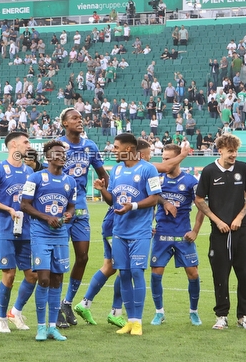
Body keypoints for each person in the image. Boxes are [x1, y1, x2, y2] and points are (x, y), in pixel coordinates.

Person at [73, 140, 187, 326]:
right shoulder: (126, 168)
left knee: (122, 269)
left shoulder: (142, 168)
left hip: (130, 223)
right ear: (139, 153)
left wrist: (162, 203)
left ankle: (116, 311)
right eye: (148, 154)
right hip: (115, 223)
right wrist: (183, 154)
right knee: (114, 267)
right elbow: (166, 168)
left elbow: (151, 194)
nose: (150, 157)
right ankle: (88, 303)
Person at [93, 132, 162, 336]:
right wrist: (101, 190)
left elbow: (155, 198)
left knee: (136, 272)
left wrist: (132, 205)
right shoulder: (115, 170)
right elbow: (112, 201)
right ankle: (130, 321)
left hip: (140, 231)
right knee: (123, 273)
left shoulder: (148, 169)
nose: (113, 150)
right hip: (119, 231)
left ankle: (138, 321)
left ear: (129, 149)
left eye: (116, 147)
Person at [194, 134, 246, 330]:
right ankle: (221, 316)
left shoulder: (243, 168)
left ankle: (244, 316)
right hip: (219, 233)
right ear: (220, 150)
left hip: (242, 231)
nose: (234, 155)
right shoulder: (209, 171)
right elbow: (199, 199)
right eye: (230, 151)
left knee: (245, 274)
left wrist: (240, 217)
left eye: (235, 151)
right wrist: (217, 221)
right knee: (220, 275)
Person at [56, 108, 109, 328]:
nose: (80, 121)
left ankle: (67, 303)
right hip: (60, 210)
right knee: (59, 261)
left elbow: (102, 173)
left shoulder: (90, 146)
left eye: (80, 118)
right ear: (65, 123)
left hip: (81, 209)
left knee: (83, 257)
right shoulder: (57, 146)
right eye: (75, 118)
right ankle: (55, 307)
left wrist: (105, 185)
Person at [20, 140, 76, 341]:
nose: (61, 156)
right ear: (48, 156)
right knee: (43, 278)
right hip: (40, 235)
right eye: (57, 153)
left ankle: (53, 326)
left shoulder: (70, 181)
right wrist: (46, 218)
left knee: (58, 278)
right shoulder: (35, 178)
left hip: (60, 235)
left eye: (63, 153)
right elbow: (24, 205)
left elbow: (71, 206)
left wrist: (68, 214)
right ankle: (41, 327)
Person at [0, 132, 37, 333]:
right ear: (13, 145)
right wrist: (8, 209)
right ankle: (1, 317)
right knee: (9, 274)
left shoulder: (30, 172)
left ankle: (16, 311)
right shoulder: (0, 169)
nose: (28, 145)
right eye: (25, 142)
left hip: (28, 230)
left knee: (32, 275)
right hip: (5, 229)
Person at [149, 144, 202, 326]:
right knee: (156, 273)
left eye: (168, 158)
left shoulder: (190, 181)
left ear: (178, 158)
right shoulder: (157, 179)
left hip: (183, 235)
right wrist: (150, 224)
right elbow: (150, 200)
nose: (165, 162)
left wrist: (195, 230)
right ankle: (159, 312)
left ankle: (193, 312)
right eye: (163, 159)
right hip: (161, 233)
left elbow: (201, 206)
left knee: (193, 273)